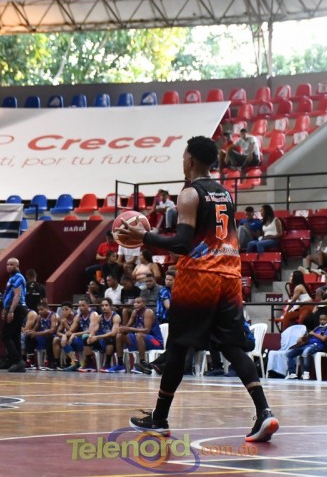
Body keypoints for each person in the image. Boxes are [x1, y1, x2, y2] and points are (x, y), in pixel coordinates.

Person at [115, 135, 278, 442]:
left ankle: (160, 418)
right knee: (232, 347)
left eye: (183, 156)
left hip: (200, 278)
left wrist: (143, 236)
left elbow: (182, 243)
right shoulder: (224, 193)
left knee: (177, 347)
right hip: (229, 276)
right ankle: (264, 412)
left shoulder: (190, 193)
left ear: (189, 159)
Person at [115, 296, 164, 374]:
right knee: (119, 336)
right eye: (135, 302)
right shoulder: (134, 312)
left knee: (139, 335)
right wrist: (122, 329)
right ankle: (120, 364)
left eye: (138, 303)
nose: (135, 304)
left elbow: (147, 331)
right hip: (141, 340)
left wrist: (129, 329)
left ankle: (142, 364)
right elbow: (127, 327)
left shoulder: (148, 312)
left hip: (156, 341)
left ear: (144, 303)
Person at [285, 313, 327, 380]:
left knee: (306, 352)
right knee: (289, 354)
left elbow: (323, 339)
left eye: (324, 320)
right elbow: (309, 337)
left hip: (319, 345)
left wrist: (314, 334)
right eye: (321, 320)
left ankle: (306, 373)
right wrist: (302, 339)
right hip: (308, 344)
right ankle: (292, 374)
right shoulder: (317, 328)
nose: (322, 321)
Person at [1, 257, 27, 372]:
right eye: (7, 264)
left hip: (17, 308)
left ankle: (17, 360)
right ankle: (18, 362)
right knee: (15, 336)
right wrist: (5, 308)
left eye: (12, 265)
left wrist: (11, 311)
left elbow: (17, 295)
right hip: (13, 308)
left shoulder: (18, 277)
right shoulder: (12, 278)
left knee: (5, 335)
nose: (9, 266)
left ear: (17, 266)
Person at [23, 300, 58, 370]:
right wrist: (30, 332)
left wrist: (36, 333)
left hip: (54, 335)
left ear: (47, 308)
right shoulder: (39, 317)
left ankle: (50, 361)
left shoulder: (53, 316)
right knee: (29, 337)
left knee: (49, 338)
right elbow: (35, 329)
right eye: (38, 310)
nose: (40, 311)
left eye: (42, 309)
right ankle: (31, 360)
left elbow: (52, 330)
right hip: (43, 335)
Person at [88, 298, 121, 372]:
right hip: (102, 340)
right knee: (85, 339)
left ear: (111, 306)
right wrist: (90, 336)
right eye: (102, 306)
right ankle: (89, 363)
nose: (104, 307)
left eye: (106, 305)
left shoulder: (116, 317)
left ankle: (107, 363)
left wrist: (97, 337)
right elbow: (94, 329)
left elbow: (113, 333)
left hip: (114, 343)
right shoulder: (99, 317)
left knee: (109, 339)